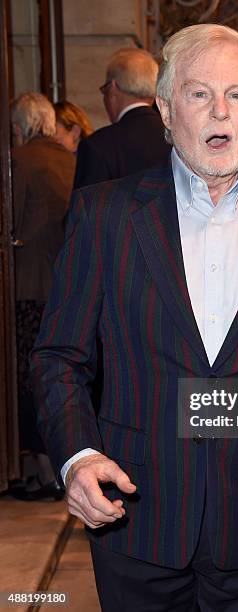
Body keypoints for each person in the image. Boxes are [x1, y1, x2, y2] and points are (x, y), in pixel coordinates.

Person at [31, 24, 238, 611]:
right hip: (137, 519)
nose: (220, 112)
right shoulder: (104, 216)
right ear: (164, 108)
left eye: (237, 95)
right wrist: (77, 457)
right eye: (198, 93)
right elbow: (60, 356)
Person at [10, 92, 76, 500]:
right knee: (60, 378)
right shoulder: (72, 160)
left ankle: (43, 470)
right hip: (67, 289)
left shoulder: (18, 161)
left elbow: (10, 225)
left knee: (29, 380)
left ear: (20, 126)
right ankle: (63, 465)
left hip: (28, 290)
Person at [73, 47, 170, 188]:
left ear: (112, 88)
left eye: (104, 90)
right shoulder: (176, 137)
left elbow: (84, 208)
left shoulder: (97, 146)